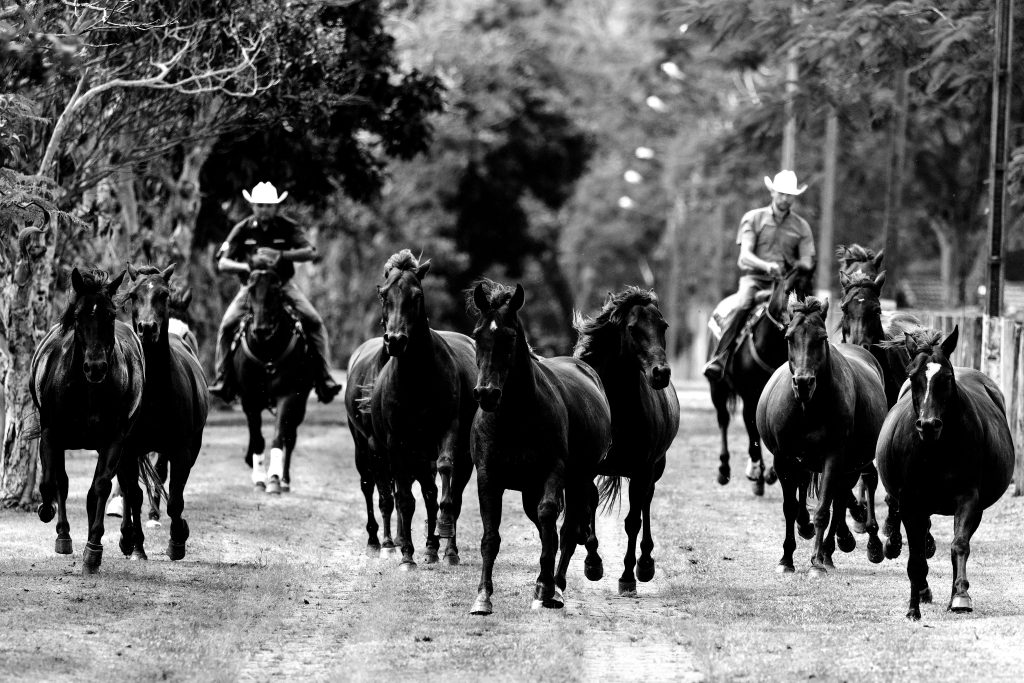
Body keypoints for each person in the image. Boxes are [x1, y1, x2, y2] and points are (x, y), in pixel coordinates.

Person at [208, 182, 342, 404]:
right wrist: (247, 267)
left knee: (314, 321)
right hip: (251, 287)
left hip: (283, 285)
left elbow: (309, 252)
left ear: (276, 207)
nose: (264, 209)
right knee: (227, 325)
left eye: (269, 205)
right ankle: (223, 379)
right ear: (252, 205)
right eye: (260, 205)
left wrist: (280, 254)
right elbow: (222, 263)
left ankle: (324, 377)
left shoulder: (288, 227)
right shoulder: (242, 229)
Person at [703, 170, 816, 382]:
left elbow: (808, 261)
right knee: (741, 305)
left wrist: (793, 265)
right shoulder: (753, 219)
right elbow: (744, 257)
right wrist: (766, 266)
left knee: (809, 315)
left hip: (787, 284)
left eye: (789, 194)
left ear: (794, 197)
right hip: (754, 280)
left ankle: (813, 365)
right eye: (781, 193)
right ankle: (721, 356)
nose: (785, 198)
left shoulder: (801, 227)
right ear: (773, 192)